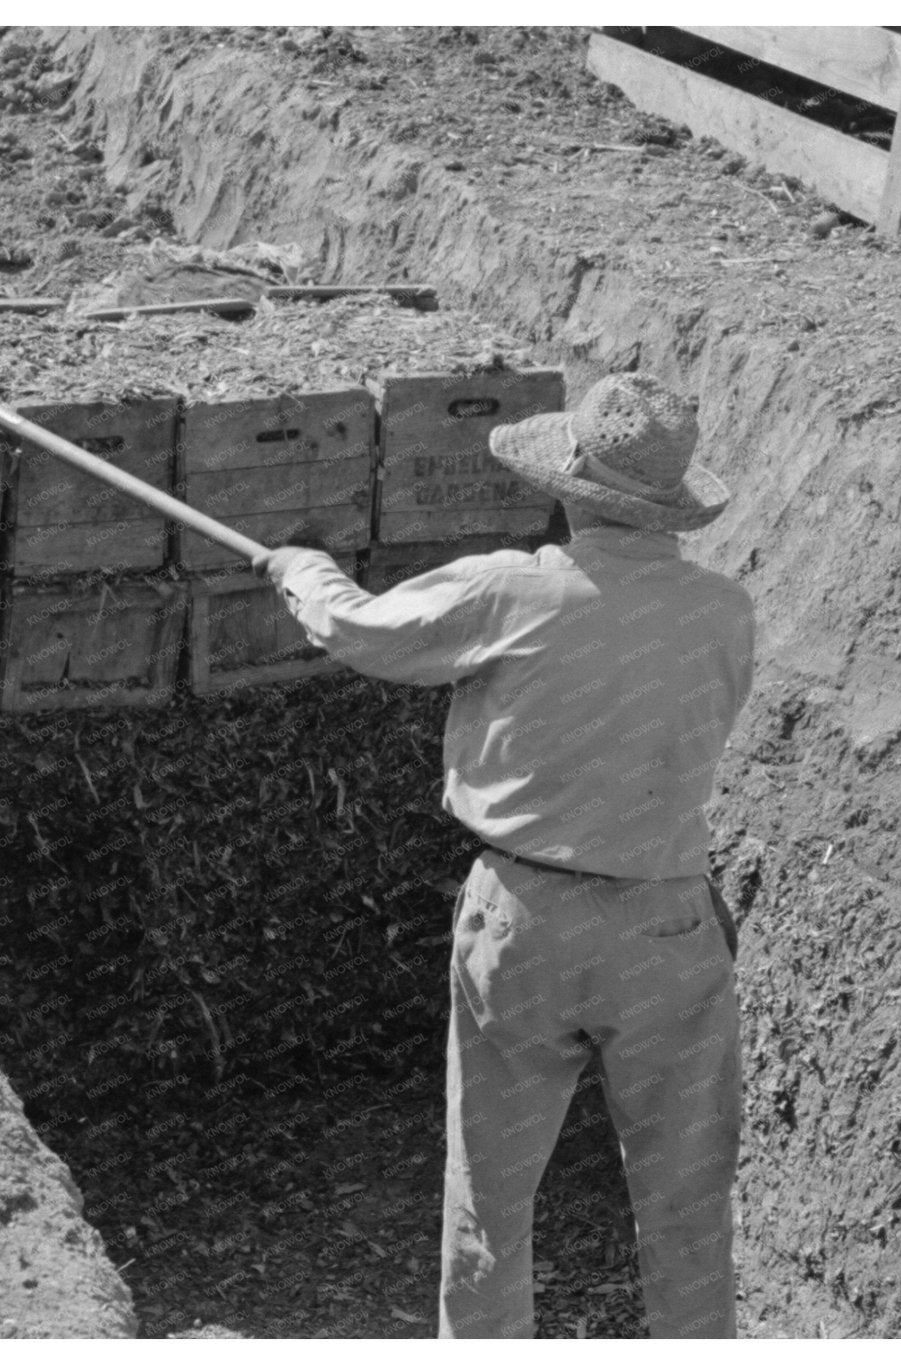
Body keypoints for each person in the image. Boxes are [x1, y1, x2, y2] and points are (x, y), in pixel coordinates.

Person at [254, 372, 756, 1338]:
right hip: (668, 927)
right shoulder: (724, 612)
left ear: (569, 484)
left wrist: (298, 568)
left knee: (493, 1198)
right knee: (689, 1208)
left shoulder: (508, 588)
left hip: (525, 923)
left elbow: (360, 627)